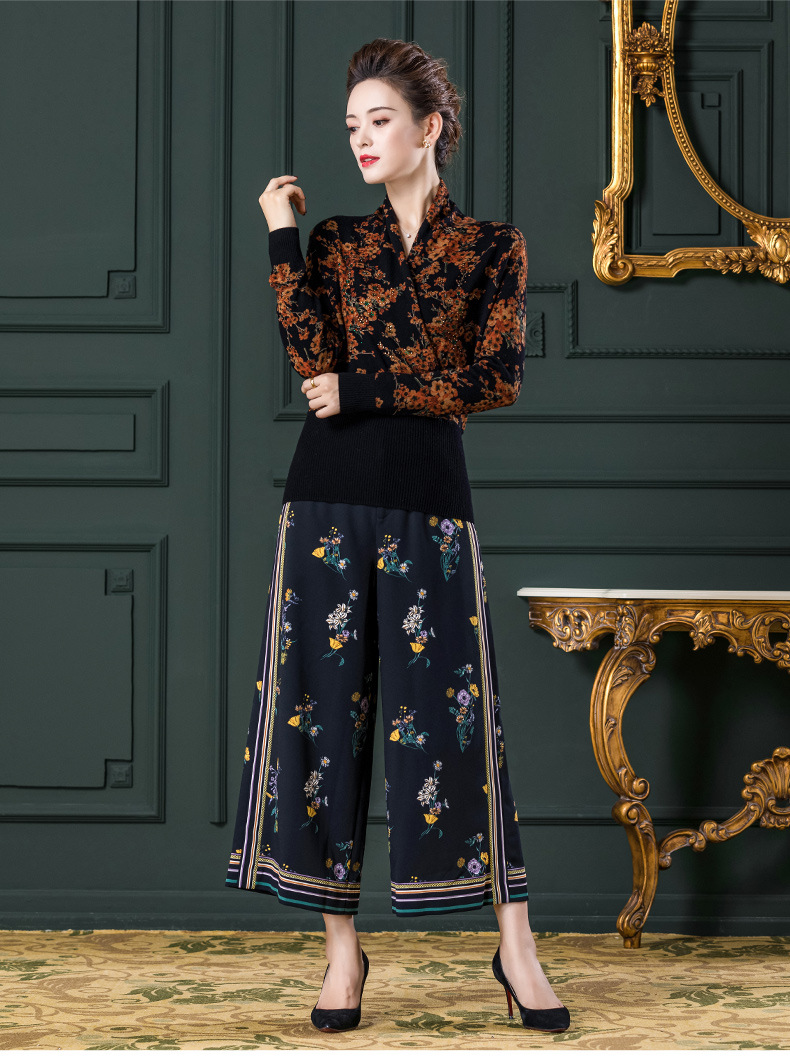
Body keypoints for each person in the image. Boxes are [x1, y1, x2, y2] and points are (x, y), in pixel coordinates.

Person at [224, 37, 570, 1035]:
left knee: (459, 723)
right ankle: (341, 953)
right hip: (324, 503)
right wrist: (282, 235)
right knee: (320, 724)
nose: (362, 139)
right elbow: (311, 361)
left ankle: (516, 945)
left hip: (431, 503)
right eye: (352, 125)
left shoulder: (492, 247)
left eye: (379, 120)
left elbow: (494, 378)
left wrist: (370, 388)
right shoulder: (335, 241)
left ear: (431, 127)